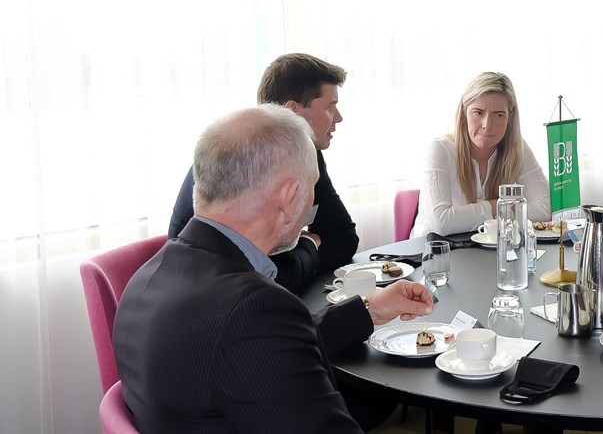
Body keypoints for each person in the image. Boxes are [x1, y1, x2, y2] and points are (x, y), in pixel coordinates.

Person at [114, 105, 434, 433]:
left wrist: (369, 310)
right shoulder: (252, 311)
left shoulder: (148, 277)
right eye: (312, 186)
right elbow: (256, 338)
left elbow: (261, 350)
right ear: (289, 198)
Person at [168, 53, 358, 293]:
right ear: (292, 110)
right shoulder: (240, 159)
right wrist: (310, 245)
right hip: (209, 295)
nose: (339, 118)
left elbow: (344, 238)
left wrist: (294, 262)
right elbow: (260, 273)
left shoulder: (306, 156)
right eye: (330, 107)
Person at [411, 71, 551, 237]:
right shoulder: (439, 149)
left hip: (486, 248)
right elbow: (440, 223)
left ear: (510, 117)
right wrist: (500, 206)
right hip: (431, 250)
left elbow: (546, 207)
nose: (487, 125)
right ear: (464, 113)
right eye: (478, 112)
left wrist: (466, 216)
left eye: (498, 115)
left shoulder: (517, 147)